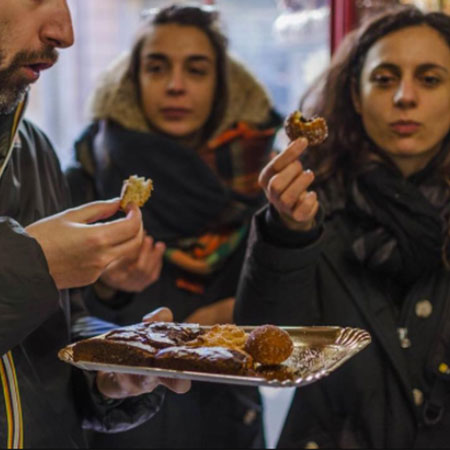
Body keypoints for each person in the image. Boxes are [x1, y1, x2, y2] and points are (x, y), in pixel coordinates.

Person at [66, 4, 281, 448]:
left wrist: (235, 317)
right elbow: (52, 321)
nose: (176, 86)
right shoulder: (88, 178)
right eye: (157, 67)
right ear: (133, 79)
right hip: (117, 424)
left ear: (220, 85)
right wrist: (109, 291)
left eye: (196, 70)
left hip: (221, 420)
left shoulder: (256, 181)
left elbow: (285, 299)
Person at [234, 6, 450, 449]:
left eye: (430, 79)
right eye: (384, 78)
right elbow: (270, 349)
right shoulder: (312, 198)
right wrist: (286, 234)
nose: (404, 97)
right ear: (355, 95)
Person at [0, 1, 190, 448]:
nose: (65, 32)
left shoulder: (31, 147)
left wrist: (110, 364)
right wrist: (37, 264)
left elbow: (53, 336)